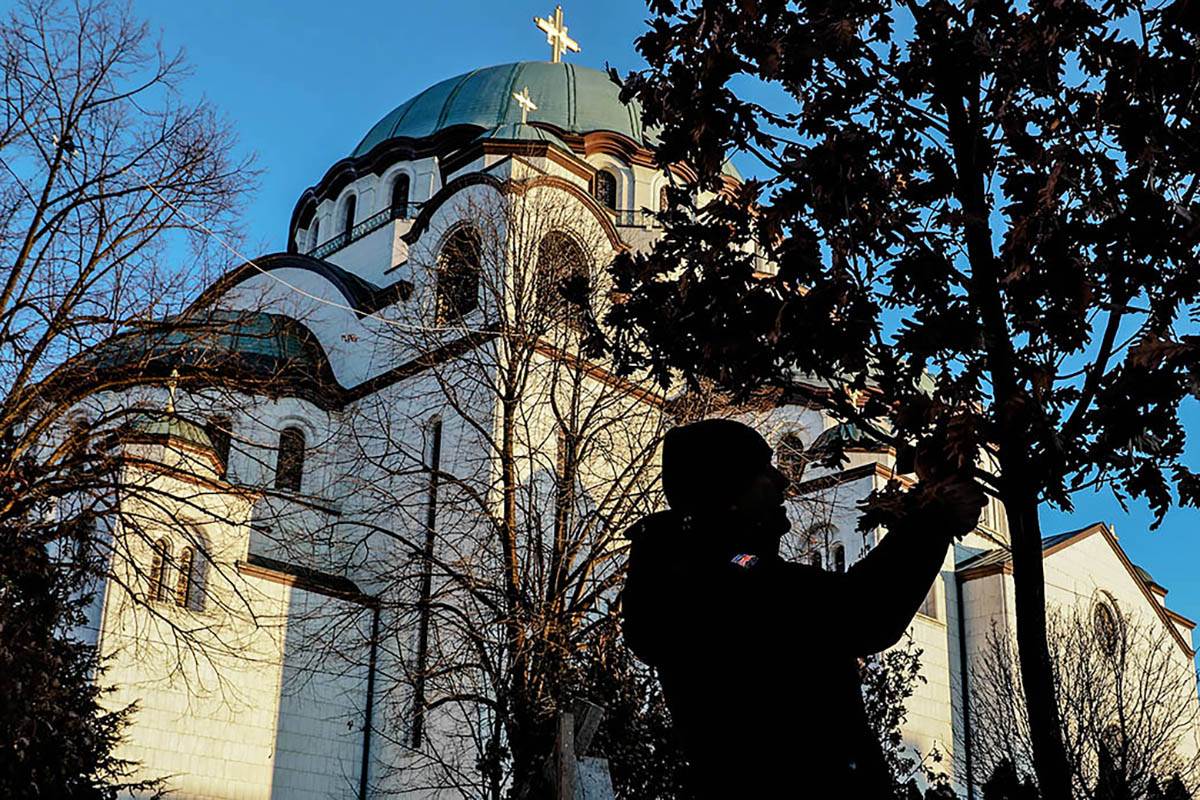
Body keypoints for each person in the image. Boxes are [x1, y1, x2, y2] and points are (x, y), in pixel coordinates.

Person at [621, 418, 985, 798]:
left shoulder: (694, 570)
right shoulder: (716, 580)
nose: (781, 481)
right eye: (762, 471)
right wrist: (934, 517)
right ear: (724, 491)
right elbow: (862, 611)